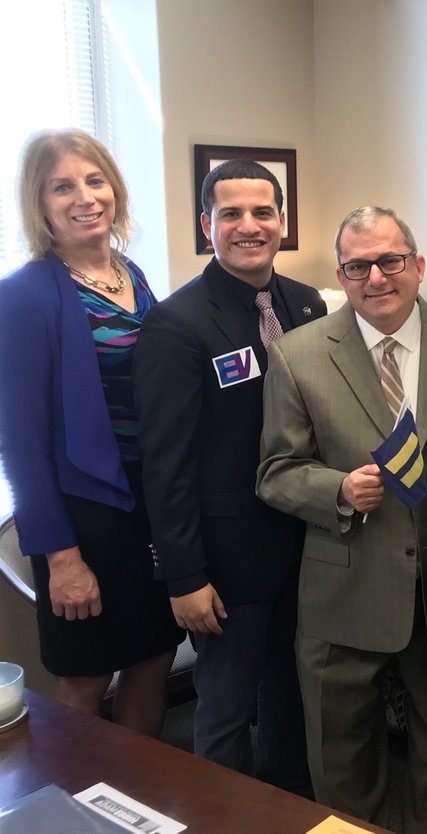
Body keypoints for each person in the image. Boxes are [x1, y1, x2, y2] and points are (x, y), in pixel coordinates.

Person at [256, 206, 427, 831]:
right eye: (358, 266)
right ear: (341, 274)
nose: (376, 277)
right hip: (342, 589)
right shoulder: (298, 354)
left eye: (390, 260)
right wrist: (337, 489)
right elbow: (274, 470)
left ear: (418, 265)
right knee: (340, 757)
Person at [133, 159, 323, 791]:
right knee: (225, 712)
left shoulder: (306, 304)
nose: (249, 226)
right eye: (231, 213)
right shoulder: (176, 323)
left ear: (282, 222)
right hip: (226, 564)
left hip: (303, 548)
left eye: (263, 212)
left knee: (292, 703)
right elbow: (167, 464)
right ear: (206, 223)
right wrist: (184, 576)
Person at [0, 128, 182, 733]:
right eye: (62, 186)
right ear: (39, 203)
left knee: (153, 655)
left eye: (95, 180)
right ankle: (74, 817)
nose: (85, 197)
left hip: (148, 503)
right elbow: (21, 444)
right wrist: (62, 558)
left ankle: (138, 807)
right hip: (85, 512)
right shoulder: (23, 297)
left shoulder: (132, 276)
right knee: (85, 674)